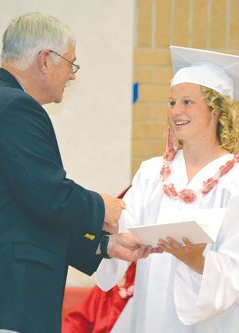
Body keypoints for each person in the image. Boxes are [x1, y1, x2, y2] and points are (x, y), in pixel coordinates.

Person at [0, 12, 153, 333]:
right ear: (45, 60)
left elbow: (29, 210)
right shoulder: (14, 107)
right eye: (71, 63)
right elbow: (49, 194)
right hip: (13, 296)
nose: (72, 76)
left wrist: (104, 246)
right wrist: (104, 206)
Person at [96, 45, 239, 333]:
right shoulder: (152, 172)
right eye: (172, 102)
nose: (176, 112)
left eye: (187, 102)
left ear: (216, 109)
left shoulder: (233, 177)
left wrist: (198, 261)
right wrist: (106, 218)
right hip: (147, 312)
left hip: (210, 322)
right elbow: (125, 229)